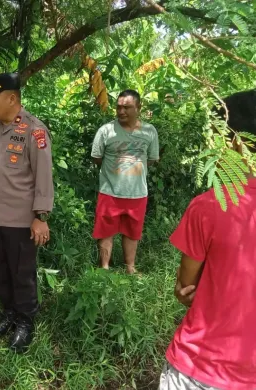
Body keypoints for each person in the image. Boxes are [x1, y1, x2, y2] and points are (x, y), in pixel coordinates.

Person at [158, 101, 256, 390]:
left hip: (199, 367)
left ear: (237, 144)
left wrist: (185, 291)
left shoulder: (209, 206)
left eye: (215, 137)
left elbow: (186, 287)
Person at [0, 73, 54, 353]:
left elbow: (44, 175)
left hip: (20, 220)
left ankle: (25, 320)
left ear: (12, 98)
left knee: (22, 273)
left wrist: (40, 216)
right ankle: (9, 312)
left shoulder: (35, 131)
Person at [91, 89, 159, 274]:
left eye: (127, 107)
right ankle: (104, 268)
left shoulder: (149, 131)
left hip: (137, 193)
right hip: (109, 191)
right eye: (119, 107)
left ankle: (130, 267)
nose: (121, 111)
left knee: (132, 232)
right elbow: (97, 158)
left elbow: (152, 159)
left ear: (138, 107)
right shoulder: (106, 131)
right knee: (106, 231)